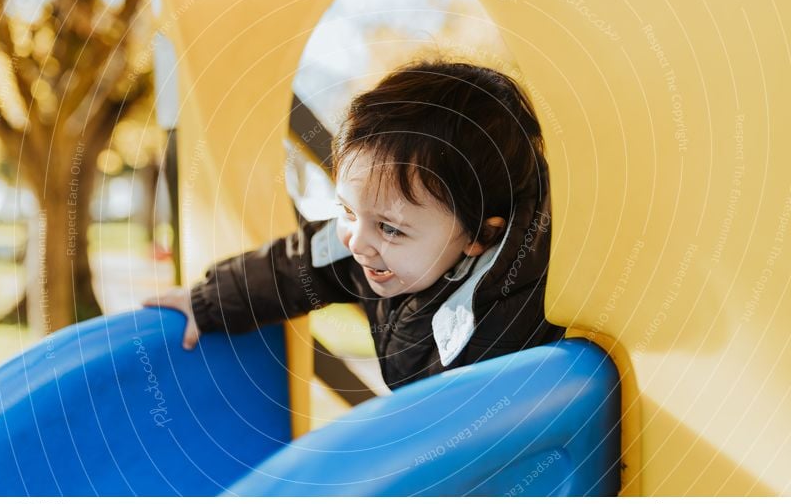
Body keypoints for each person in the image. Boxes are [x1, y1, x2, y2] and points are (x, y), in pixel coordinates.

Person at [143, 60, 565, 390]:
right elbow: (303, 263)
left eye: (391, 228)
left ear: (481, 236)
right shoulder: (373, 247)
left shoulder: (511, 321)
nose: (358, 241)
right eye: (347, 210)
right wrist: (209, 302)